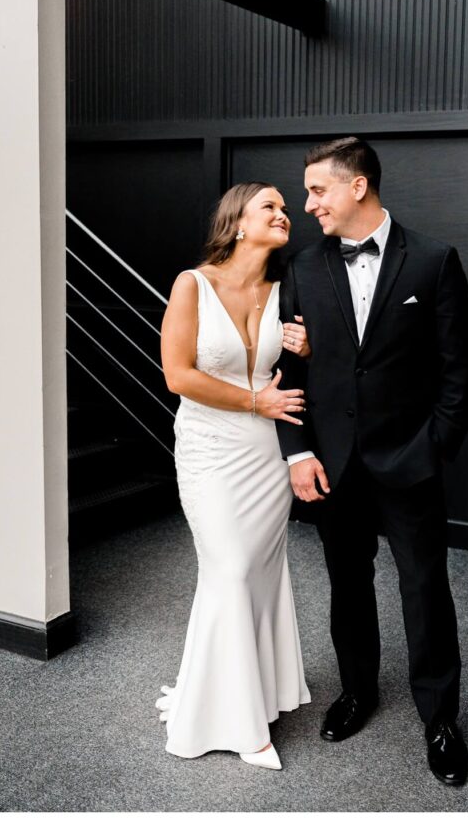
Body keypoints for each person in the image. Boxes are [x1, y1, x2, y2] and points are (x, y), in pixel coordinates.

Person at [275, 137, 468, 786]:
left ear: (357, 186)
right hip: (333, 464)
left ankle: (441, 719)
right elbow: (291, 370)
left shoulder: (434, 261)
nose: (308, 205)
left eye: (317, 191)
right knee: (347, 585)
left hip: (410, 463)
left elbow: (461, 371)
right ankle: (357, 690)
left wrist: (434, 448)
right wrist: (299, 451)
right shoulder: (304, 269)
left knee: (425, 590)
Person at [157, 182, 313, 769]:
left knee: (261, 570)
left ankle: (259, 692)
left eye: (285, 208)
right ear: (238, 222)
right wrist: (254, 404)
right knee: (230, 566)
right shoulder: (192, 283)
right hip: (211, 446)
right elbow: (177, 375)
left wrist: (310, 347)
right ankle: (236, 723)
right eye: (270, 206)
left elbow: (303, 367)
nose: (285, 214)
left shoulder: (286, 288)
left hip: (267, 450)